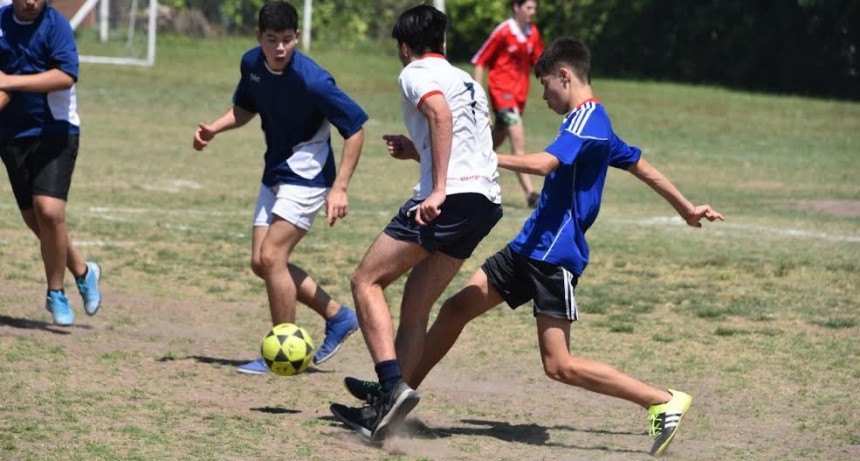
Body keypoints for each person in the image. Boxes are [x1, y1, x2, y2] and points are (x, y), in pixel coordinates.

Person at [341, 38, 725, 457]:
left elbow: (543, 164)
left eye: (545, 85)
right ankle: (393, 397)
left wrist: (478, 157)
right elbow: (640, 165)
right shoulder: (591, 122)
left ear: (565, 76)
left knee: (559, 365)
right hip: (529, 246)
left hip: (554, 255)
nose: (543, 97)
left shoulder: (588, 121)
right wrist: (686, 208)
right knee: (454, 310)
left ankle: (662, 400)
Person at [328, 4, 503, 443]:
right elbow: (469, 139)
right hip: (485, 202)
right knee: (415, 306)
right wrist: (418, 152)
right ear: (441, 41)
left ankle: (390, 387)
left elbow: (440, 115)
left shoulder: (414, 72)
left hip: (450, 199)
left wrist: (438, 188)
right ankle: (387, 414)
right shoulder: (468, 81)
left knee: (366, 281)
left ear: (405, 47)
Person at [192, 0, 365, 373]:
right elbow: (245, 107)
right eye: (272, 40)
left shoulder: (314, 81)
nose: (280, 48)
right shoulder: (252, 64)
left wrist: (340, 187)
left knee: (273, 257)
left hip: (308, 174)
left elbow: (355, 129)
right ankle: (338, 316)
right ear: (259, 38)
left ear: (297, 36)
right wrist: (214, 128)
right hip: (275, 170)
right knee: (262, 262)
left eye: (287, 39)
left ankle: (283, 353)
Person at [0, 0, 102, 326]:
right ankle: (84, 272)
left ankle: (55, 292)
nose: (32, 1)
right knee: (36, 221)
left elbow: (66, 76)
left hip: (54, 129)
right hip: (11, 135)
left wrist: (9, 81)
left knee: (49, 211)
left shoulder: (55, 26)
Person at [472, 0, 544, 208]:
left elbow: (540, 63)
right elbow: (480, 60)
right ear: (516, 7)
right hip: (502, 93)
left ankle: (472, 161)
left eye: (534, 8)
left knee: (497, 137)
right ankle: (531, 195)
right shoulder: (504, 31)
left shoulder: (532, 33)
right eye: (528, 7)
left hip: (519, 96)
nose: (532, 12)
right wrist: (478, 95)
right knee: (518, 140)